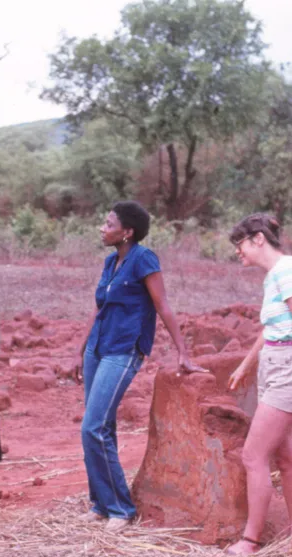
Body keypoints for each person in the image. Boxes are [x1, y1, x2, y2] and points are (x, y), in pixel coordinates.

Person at [74, 201, 204, 532]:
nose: (102, 228)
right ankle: (101, 504)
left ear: (127, 232)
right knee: (102, 427)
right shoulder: (109, 262)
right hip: (98, 347)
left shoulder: (143, 259)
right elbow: (98, 309)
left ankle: (121, 509)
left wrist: (183, 353)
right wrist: (79, 351)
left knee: (93, 426)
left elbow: (162, 305)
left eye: (108, 223)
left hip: (124, 349)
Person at [225, 213, 292, 556]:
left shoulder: (288, 271)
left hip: (288, 367)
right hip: (276, 363)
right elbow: (271, 329)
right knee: (288, 457)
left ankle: (250, 541)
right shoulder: (275, 275)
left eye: (240, 245)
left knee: (253, 455)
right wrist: (246, 364)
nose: (238, 252)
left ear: (258, 239)